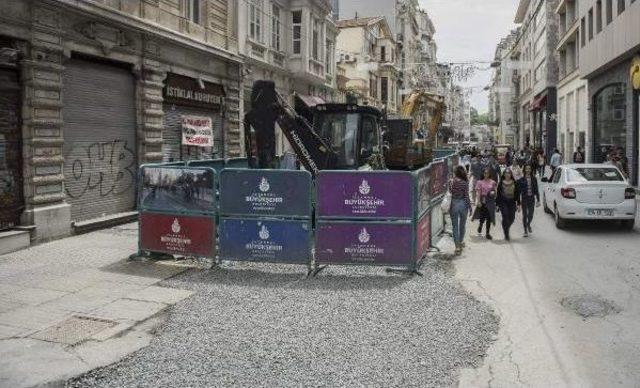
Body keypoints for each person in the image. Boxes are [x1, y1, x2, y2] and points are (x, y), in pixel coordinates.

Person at [449, 166, 472, 255]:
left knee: (455, 226)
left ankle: (457, 247)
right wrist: (470, 207)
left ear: (456, 172)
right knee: (462, 225)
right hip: (463, 204)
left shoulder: (451, 181)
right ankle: (461, 241)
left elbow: (450, 192)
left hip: (454, 204)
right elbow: (466, 196)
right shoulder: (465, 182)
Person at [473, 167, 497, 240]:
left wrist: (494, 193)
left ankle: (487, 233)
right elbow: (478, 192)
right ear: (483, 174)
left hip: (490, 202)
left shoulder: (493, 182)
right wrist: (478, 201)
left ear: (489, 174)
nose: (486, 174)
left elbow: (495, 191)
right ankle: (480, 225)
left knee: (489, 218)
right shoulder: (479, 182)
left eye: (487, 173)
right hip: (483, 201)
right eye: (485, 173)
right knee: (483, 216)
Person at [517, 164, 540, 237]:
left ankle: (528, 224)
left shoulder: (534, 179)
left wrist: (538, 200)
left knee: (531, 215)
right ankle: (525, 230)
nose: (528, 170)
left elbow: (536, 189)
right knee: (525, 215)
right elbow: (519, 192)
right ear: (524, 170)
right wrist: (518, 203)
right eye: (526, 169)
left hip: (531, 199)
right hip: (524, 199)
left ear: (531, 170)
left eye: (529, 169)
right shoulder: (521, 180)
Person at [497, 168, 520, 241]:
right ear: (504, 174)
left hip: (512, 201)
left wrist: (519, 204)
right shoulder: (501, 183)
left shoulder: (514, 182)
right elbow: (498, 194)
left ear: (511, 174)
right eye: (506, 173)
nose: (507, 174)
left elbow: (517, 194)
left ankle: (506, 227)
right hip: (503, 201)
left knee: (512, 218)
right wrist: (497, 204)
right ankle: (506, 234)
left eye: (509, 173)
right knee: (505, 216)